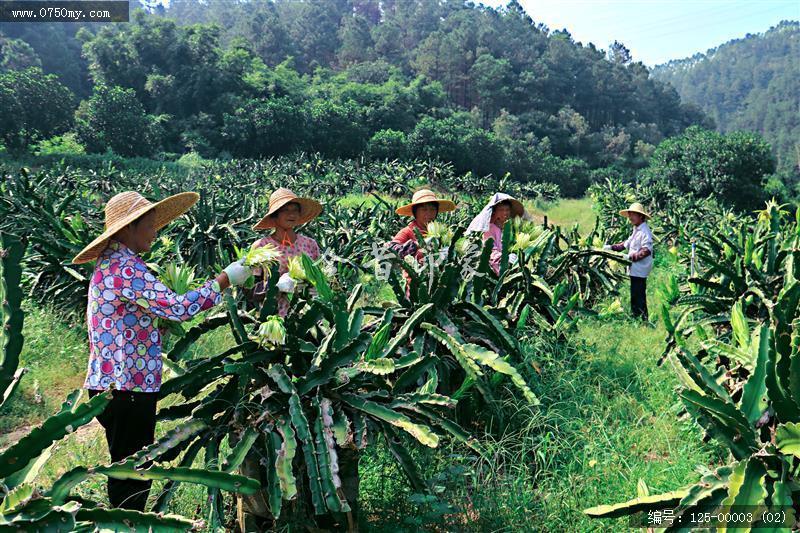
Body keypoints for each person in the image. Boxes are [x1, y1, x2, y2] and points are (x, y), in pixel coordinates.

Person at [72, 190, 252, 511]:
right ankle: (127, 525)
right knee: (132, 472)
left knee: (126, 467)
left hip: (111, 384)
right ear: (129, 227)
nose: (155, 231)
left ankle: (124, 522)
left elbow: (123, 320)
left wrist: (155, 326)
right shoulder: (126, 268)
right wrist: (225, 280)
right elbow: (180, 308)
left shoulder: (109, 264)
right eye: (150, 224)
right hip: (127, 387)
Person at [249, 188, 323, 317]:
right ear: (275, 214)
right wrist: (276, 287)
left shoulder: (310, 244)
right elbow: (252, 290)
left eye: (295, 210)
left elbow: (319, 281)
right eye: (286, 210)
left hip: (307, 316)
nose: (292, 214)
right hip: (274, 317)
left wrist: (312, 290)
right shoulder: (261, 246)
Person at [604, 202, 654, 321]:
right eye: (630, 214)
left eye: (633, 215)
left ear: (641, 216)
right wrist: (611, 247)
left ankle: (643, 319)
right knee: (634, 294)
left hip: (640, 269)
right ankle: (636, 317)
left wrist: (631, 257)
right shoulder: (636, 229)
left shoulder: (644, 232)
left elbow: (646, 250)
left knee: (639, 295)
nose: (630, 217)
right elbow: (626, 244)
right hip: (634, 269)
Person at [467, 193, 525, 274]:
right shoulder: (489, 228)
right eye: (501, 210)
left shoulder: (510, 228)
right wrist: (506, 258)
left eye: (507, 210)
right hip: (495, 267)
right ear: (494, 212)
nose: (505, 213)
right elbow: (490, 251)